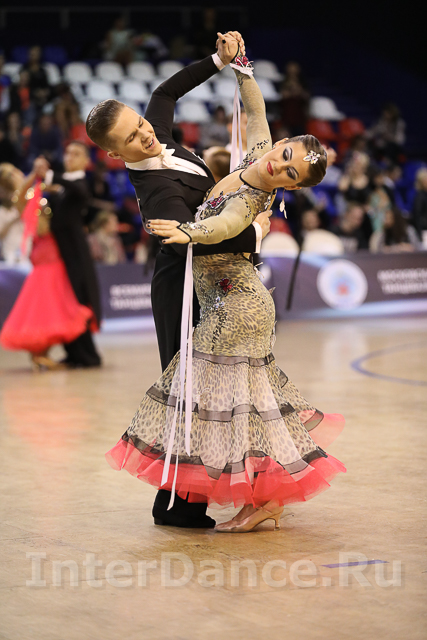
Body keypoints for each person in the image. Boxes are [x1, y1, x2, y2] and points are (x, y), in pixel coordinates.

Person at [105, 53, 346, 533]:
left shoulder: (251, 197)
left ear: (294, 186)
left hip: (233, 306)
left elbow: (224, 225)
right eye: (286, 155)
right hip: (228, 299)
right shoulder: (257, 154)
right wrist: (241, 67)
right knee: (241, 409)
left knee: (216, 407)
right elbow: (255, 111)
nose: (280, 165)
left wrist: (190, 232)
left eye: (291, 173)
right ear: (281, 144)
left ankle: (245, 497)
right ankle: (262, 497)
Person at [86, 32, 271, 529]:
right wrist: (255, 231)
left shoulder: (158, 134)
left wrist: (218, 60)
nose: (145, 135)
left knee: (210, 392)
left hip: (205, 283)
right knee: (193, 394)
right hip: (183, 292)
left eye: (141, 124)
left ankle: (184, 500)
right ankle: (177, 504)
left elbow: (165, 91)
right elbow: (195, 240)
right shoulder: (157, 194)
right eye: (131, 138)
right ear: (115, 154)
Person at [0, 160, 93, 370]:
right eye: (16, 173)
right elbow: (25, 201)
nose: (20, 174)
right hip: (48, 254)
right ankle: (40, 354)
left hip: (47, 253)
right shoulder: (24, 199)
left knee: (47, 308)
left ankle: (40, 355)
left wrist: (42, 182)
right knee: (49, 307)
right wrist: (35, 175)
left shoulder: (33, 195)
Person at [46, 142, 102, 368]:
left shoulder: (79, 183)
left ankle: (88, 356)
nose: (70, 157)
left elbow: (79, 191)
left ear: (86, 161)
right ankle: (73, 352)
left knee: (79, 301)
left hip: (77, 255)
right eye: (68, 153)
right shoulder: (62, 186)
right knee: (67, 302)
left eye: (76, 154)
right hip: (62, 255)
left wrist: (51, 176)